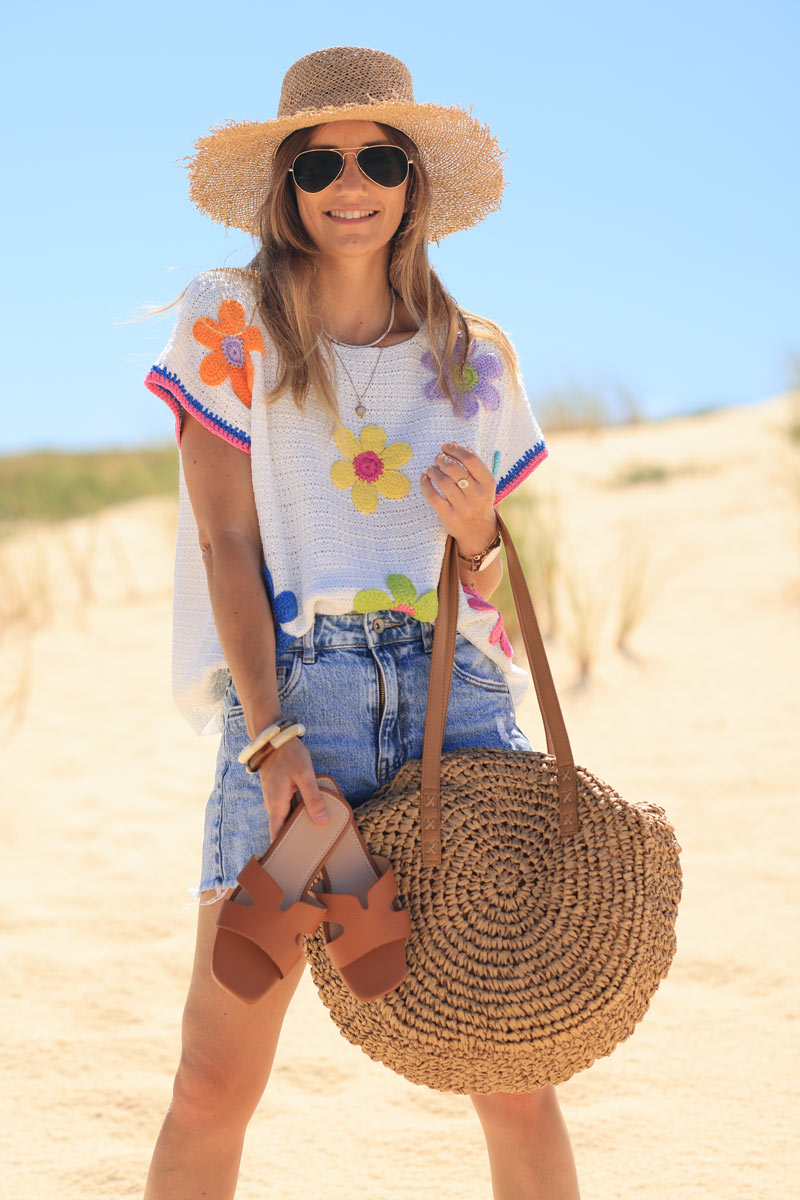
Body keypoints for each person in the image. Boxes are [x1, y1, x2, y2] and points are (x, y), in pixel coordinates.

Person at [143, 45, 580, 1200]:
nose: (351, 183)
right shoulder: (226, 322)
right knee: (213, 1079)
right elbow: (225, 543)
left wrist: (482, 530)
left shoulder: (472, 358)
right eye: (320, 163)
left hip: (455, 719)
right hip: (299, 713)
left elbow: (486, 574)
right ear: (285, 185)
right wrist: (271, 739)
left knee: (512, 1065)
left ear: (410, 183)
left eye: (377, 158)